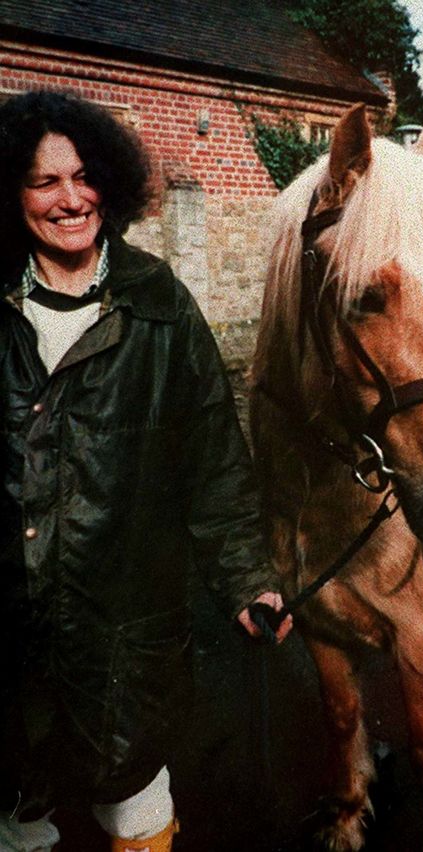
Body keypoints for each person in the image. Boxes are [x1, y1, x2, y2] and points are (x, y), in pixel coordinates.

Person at [0, 90, 291, 852]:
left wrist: (245, 579)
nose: (71, 199)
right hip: (12, 636)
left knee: (133, 806)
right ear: (11, 193)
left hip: (123, 638)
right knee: (17, 812)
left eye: (85, 176)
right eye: (45, 182)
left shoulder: (161, 306)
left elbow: (215, 469)